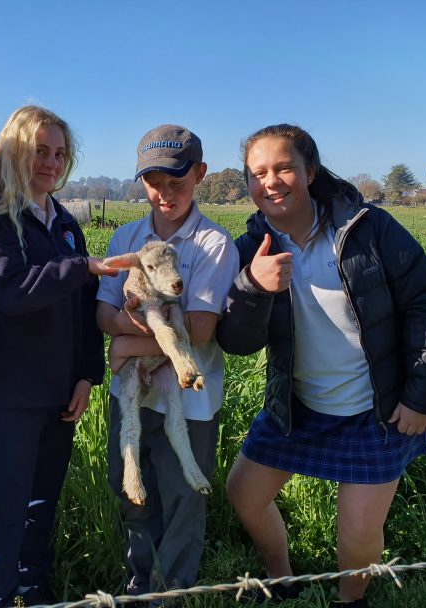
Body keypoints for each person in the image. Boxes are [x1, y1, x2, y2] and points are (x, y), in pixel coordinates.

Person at [216, 124, 426, 607]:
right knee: (243, 493)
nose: (271, 181)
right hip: (297, 406)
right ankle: (281, 580)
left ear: (310, 171)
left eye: (283, 168)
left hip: (375, 411)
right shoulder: (250, 247)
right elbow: (236, 342)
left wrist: (422, 396)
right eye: (258, 173)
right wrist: (253, 287)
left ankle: (350, 600)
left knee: (358, 535)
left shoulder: (368, 227)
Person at [0, 105, 116, 608]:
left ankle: (35, 589)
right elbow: (12, 292)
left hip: (59, 389)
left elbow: (84, 308)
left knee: (42, 502)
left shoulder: (66, 223)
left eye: (59, 154)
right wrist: (84, 266)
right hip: (9, 393)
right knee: (5, 509)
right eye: (39, 152)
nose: (51, 163)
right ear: (13, 152)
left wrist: (87, 376)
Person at [96, 124, 239, 600]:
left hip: (188, 397)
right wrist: (121, 333)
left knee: (181, 494)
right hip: (132, 391)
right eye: (154, 181)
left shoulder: (214, 245)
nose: (164, 193)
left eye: (177, 180)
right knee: (129, 485)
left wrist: (125, 346)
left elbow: (198, 329)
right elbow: (102, 311)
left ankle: (172, 588)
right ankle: (140, 579)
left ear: (200, 174)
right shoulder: (127, 238)